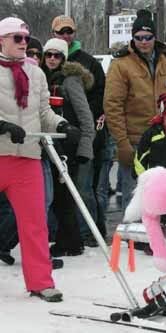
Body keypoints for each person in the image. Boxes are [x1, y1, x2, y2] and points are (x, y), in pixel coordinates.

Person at [0, 17, 79, 302]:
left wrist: (62, 126)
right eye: (16, 38)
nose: (23, 43)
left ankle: (40, 282)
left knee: (35, 223)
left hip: (28, 157)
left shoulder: (36, 74)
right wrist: (4, 126)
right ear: (1, 41)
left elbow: (44, 112)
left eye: (25, 38)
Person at [105, 9, 166, 212]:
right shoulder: (121, 65)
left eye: (148, 37)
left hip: (164, 140)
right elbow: (112, 105)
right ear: (132, 38)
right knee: (135, 198)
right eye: (138, 37)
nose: (143, 42)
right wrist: (122, 143)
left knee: (165, 196)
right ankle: (134, 241)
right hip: (135, 141)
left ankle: (159, 240)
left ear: (155, 37)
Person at [51, 15, 107, 245]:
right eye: (61, 31)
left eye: (70, 31)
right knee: (57, 192)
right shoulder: (48, 61)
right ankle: (58, 233)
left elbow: (100, 95)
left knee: (84, 187)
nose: (66, 35)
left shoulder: (87, 62)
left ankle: (90, 233)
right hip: (55, 135)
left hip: (82, 133)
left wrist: (82, 120)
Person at [41, 38, 95, 257]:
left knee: (64, 196)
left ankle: (71, 242)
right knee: (55, 196)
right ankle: (68, 239)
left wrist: (84, 149)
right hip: (50, 144)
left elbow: (85, 117)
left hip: (68, 145)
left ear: (64, 58)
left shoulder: (70, 81)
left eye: (57, 55)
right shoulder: (43, 77)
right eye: (49, 55)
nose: (52, 59)